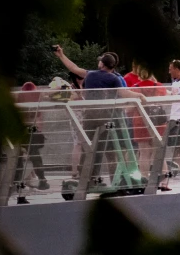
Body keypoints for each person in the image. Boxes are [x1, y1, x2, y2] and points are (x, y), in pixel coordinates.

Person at [53, 46, 147, 181]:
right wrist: (140, 95)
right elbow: (124, 93)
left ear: (102, 64)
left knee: (88, 147)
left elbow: (73, 68)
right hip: (105, 116)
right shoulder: (114, 78)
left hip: (90, 115)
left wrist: (61, 55)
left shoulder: (90, 74)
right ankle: (102, 178)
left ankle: (86, 177)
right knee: (101, 148)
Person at [128, 66, 170, 189]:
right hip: (158, 122)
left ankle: (144, 180)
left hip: (141, 122)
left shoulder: (135, 88)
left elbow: (129, 110)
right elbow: (163, 103)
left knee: (144, 153)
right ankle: (164, 181)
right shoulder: (160, 87)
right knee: (159, 152)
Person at [14, 82, 49, 193]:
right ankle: (42, 180)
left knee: (18, 157)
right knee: (35, 156)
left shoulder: (19, 98)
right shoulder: (37, 97)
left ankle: (17, 182)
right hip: (31, 131)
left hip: (20, 131)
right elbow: (39, 119)